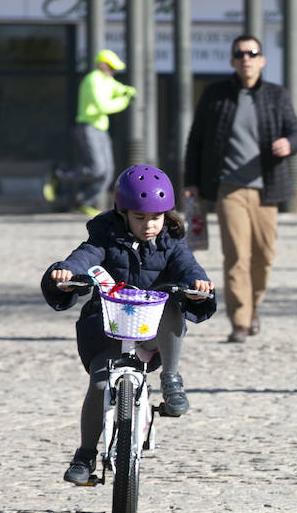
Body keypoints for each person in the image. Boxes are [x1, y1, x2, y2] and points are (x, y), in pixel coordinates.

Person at [41, 164, 216, 485]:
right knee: (98, 385)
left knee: (172, 303)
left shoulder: (171, 243)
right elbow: (83, 257)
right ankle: (85, 454)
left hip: (151, 334)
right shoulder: (104, 237)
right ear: (122, 213)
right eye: (140, 218)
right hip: (107, 329)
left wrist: (199, 284)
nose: (149, 225)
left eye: (157, 217)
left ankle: (172, 378)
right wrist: (66, 272)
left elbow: (189, 267)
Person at [183, 34, 297, 343]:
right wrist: (191, 183)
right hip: (228, 188)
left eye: (252, 53)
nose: (246, 58)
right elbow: (195, 141)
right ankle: (239, 320)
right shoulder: (215, 95)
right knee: (236, 254)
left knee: (264, 256)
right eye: (240, 54)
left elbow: (296, 131)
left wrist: (288, 144)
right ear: (232, 61)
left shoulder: (276, 95)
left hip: (267, 188)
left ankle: (253, 309)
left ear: (262, 60)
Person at [51, 49, 136, 217]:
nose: (114, 72)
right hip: (88, 127)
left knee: (108, 172)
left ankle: (83, 202)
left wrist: (128, 90)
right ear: (102, 65)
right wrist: (125, 101)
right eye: (112, 68)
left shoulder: (107, 80)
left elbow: (119, 88)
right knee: (97, 169)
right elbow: (102, 107)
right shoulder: (93, 80)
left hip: (101, 129)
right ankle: (57, 176)